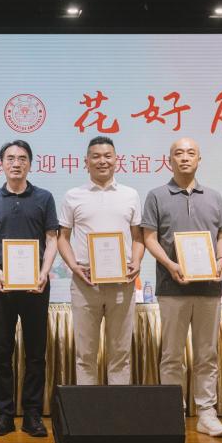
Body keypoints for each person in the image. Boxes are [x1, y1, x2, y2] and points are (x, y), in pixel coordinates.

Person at [141, 137, 222, 437]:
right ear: (169, 160)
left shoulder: (214, 196)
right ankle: (173, 413)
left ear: (199, 159)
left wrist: (221, 259)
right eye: (178, 153)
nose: (184, 158)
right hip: (172, 288)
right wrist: (171, 264)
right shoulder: (156, 195)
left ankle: (207, 413)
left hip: (209, 288)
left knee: (207, 354)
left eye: (190, 153)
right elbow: (149, 237)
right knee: (172, 355)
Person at [0, 140, 59, 438]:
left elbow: (52, 238)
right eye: (10, 158)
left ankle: (32, 414)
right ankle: (4, 414)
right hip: (1, 282)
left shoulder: (44, 197)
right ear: (1, 163)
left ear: (30, 163)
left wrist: (44, 272)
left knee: (36, 352)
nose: (16, 163)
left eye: (22, 158)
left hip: (36, 284)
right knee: (2, 351)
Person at [57, 136, 144, 386]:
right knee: (85, 355)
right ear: (86, 162)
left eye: (107, 156)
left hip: (122, 283)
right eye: (95, 156)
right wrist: (74, 266)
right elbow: (62, 238)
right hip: (85, 283)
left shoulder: (130, 195)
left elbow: (138, 237)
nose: (102, 161)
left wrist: (137, 261)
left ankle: (117, 408)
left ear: (117, 160)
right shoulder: (73, 196)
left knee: (121, 354)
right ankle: (88, 410)